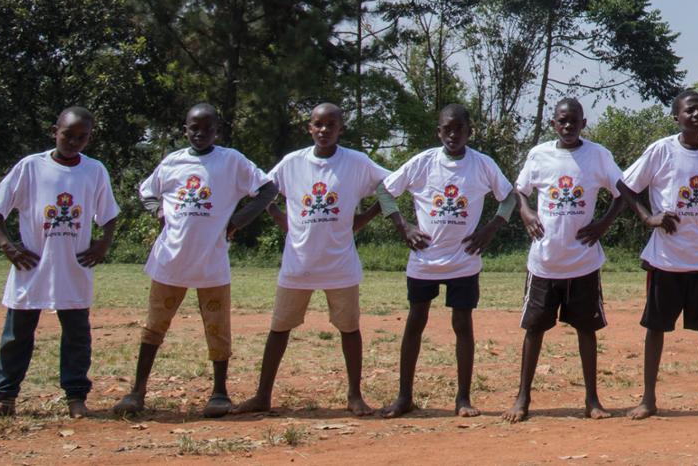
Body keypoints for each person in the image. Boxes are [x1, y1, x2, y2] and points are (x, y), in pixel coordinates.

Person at [112, 103, 277, 418]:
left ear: (218, 130)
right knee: (154, 327)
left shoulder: (232, 161)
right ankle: (137, 391)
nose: (200, 133)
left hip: (211, 263)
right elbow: (147, 191)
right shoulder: (172, 162)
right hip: (169, 261)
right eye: (193, 128)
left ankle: (219, 392)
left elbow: (268, 189)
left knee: (217, 328)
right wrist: (157, 211)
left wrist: (237, 222)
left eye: (207, 128)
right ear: (184, 129)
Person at [234, 103, 388, 416]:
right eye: (318, 124)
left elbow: (390, 185)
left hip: (340, 265)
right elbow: (264, 190)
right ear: (309, 127)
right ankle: (263, 395)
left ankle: (355, 395)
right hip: (298, 264)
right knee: (279, 329)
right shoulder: (292, 163)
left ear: (341, 129)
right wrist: (280, 217)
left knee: (349, 329)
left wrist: (364, 219)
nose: (324, 130)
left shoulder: (357, 163)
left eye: (331, 125)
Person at [0, 106, 122, 420]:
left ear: (89, 138)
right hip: (32, 266)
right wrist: (8, 245)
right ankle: (5, 399)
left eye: (81, 137)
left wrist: (103, 243)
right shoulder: (30, 167)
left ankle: (75, 398)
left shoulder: (94, 170)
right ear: (54, 131)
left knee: (77, 335)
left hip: (73, 267)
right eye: (68, 135)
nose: (74, 142)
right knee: (16, 335)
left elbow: (109, 214)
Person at [378, 103, 517, 418]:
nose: (453, 134)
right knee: (415, 323)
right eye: (446, 129)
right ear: (438, 132)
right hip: (424, 261)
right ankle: (404, 397)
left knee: (462, 325)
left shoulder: (482, 165)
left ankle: (463, 399)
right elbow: (385, 191)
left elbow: (509, 197)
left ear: (470, 131)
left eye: (459, 129)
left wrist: (491, 229)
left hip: (464, 261)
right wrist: (405, 227)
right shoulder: (424, 162)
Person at [620, 90, 698, 420]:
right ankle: (648, 398)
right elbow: (626, 186)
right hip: (666, 258)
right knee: (656, 328)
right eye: (689, 111)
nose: (696, 115)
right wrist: (649, 218)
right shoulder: (661, 150)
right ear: (676, 116)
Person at [504, 98, 630, 422]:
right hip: (544, 263)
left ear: (583, 123)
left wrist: (602, 224)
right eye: (563, 121)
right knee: (534, 330)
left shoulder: (598, 155)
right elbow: (519, 190)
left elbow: (623, 192)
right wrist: (526, 210)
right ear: (553, 124)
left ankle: (592, 400)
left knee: (586, 330)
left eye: (574, 121)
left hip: (583, 263)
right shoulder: (539, 155)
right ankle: (522, 398)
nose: (569, 126)